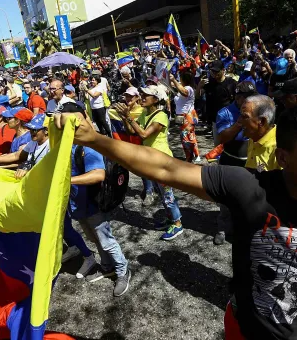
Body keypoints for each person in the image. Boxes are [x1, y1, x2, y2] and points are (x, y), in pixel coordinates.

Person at [54, 104, 297, 340]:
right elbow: (166, 168)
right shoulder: (249, 187)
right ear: (284, 157)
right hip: (240, 330)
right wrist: (96, 139)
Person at [62, 102, 131, 296]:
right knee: (94, 239)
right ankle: (107, 266)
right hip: (78, 205)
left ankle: (122, 271)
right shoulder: (67, 143)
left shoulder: (87, 146)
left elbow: (98, 175)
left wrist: (67, 180)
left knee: (106, 240)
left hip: (92, 204)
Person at [115, 85, 184, 241]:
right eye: (142, 94)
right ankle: (170, 219)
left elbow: (144, 134)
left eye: (146, 95)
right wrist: (125, 118)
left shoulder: (161, 116)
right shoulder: (146, 113)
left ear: (156, 99)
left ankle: (177, 223)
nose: (142, 97)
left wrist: (129, 117)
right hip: (151, 159)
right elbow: (132, 132)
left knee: (167, 194)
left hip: (162, 160)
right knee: (161, 193)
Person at [211, 82, 256, 245]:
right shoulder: (225, 112)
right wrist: (239, 123)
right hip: (230, 160)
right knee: (225, 197)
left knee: (248, 197)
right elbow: (222, 138)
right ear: (237, 97)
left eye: (253, 97)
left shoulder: (257, 109)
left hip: (251, 162)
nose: (251, 101)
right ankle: (223, 228)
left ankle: (244, 227)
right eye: (246, 97)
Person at [198, 60, 237, 146]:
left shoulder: (231, 83)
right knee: (218, 145)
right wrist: (199, 86)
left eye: (216, 71)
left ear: (223, 70)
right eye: (212, 71)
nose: (214, 73)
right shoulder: (208, 84)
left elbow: (237, 100)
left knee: (230, 144)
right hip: (215, 121)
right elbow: (197, 97)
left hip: (229, 119)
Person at [239, 94, 280, 173]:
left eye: (245, 117)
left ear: (262, 121)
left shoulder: (278, 149)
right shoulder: (254, 137)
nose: (239, 121)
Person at [170, 72, 201, 163]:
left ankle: (189, 158)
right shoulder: (182, 88)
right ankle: (195, 155)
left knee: (186, 138)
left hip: (187, 117)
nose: (179, 80)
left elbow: (184, 92)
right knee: (190, 136)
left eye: (180, 78)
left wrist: (174, 80)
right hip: (183, 116)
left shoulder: (188, 88)